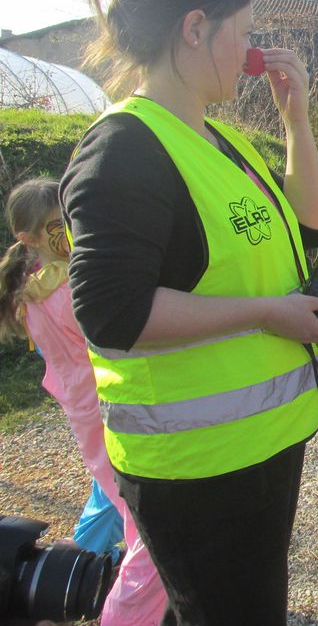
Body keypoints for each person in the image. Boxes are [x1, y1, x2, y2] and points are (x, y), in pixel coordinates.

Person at [61, 0, 318, 625]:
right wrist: (266, 313)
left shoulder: (218, 138)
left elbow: (308, 217)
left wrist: (296, 121)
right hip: (198, 469)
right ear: (195, 29)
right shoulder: (123, 149)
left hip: (255, 449)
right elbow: (112, 311)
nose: (252, 52)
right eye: (242, 32)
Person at [0, 178, 167, 625]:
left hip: (90, 417)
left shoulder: (33, 289)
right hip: (113, 412)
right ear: (28, 238)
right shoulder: (71, 288)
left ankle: (91, 567)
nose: (69, 231)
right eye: (58, 224)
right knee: (150, 536)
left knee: (121, 502)